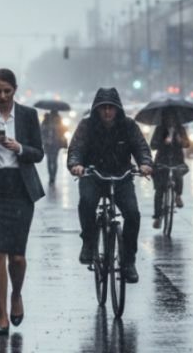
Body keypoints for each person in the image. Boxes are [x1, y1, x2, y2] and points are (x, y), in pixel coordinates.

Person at [0, 68, 44, 336]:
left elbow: (39, 153)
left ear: (15, 90)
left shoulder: (28, 115)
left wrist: (20, 148)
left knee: (18, 256)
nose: (2, 96)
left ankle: (16, 294)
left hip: (20, 188)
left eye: (7, 91)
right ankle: (2, 316)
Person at [68, 87, 153, 284]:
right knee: (87, 202)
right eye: (103, 108)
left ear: (117, 109)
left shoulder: (128, 125)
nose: (107, 112)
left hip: (121, 177)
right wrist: (76, 165)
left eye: (111, 108)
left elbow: (141, 147)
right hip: (93, 175)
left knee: (133, 214)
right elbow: (76, 148)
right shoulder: (86, 126)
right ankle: (89, 242)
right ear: (96, 109)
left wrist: (145, 163)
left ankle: (129, 261)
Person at [151, 109, 190, 226]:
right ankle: (158, 217)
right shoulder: (159, 129)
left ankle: (178, 195)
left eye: (173, 118)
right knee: (159, 190)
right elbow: (153, 145)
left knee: (178, 174)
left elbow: (187, 144)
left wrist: (181, 141)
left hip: (177, 160)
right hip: (162, 160)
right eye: (168, 118)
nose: (170, 121)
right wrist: (163, 142)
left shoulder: (181, 129)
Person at [40, 109, 68, 185]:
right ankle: (51, 176)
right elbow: (41, 130)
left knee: (52, 160)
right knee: (50, 160)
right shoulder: (47, 119)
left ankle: (53, 176)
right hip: (50, 143)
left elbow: (64, 130)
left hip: (55, 143)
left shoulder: (58, 120)